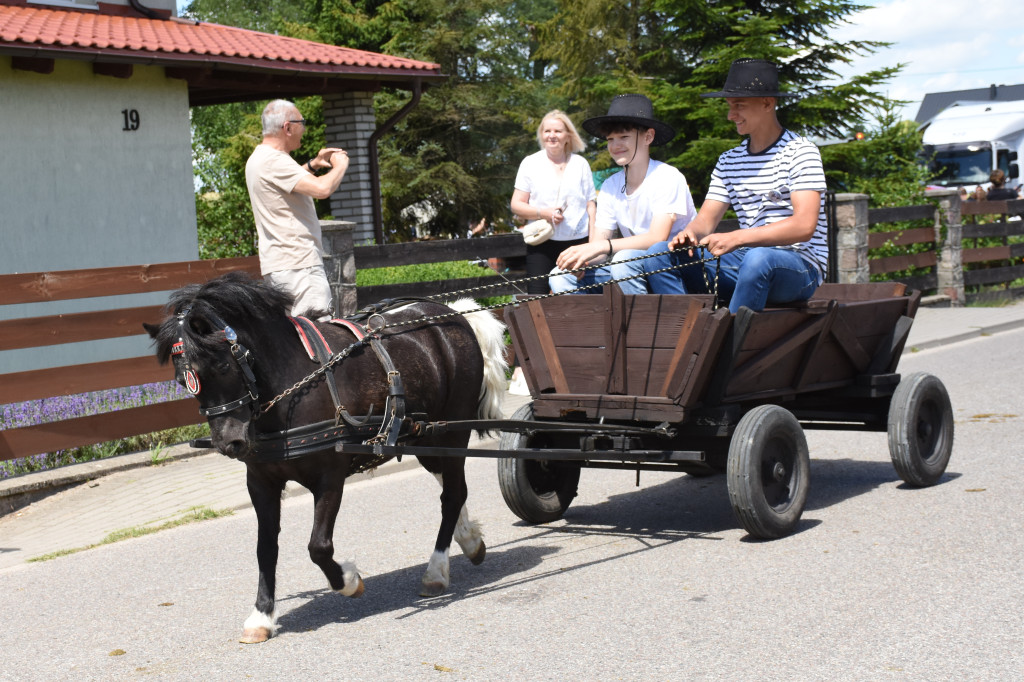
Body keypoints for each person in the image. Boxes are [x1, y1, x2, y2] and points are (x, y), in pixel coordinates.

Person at [641, 59, 828, 313]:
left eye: (739, 105)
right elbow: (705, 221)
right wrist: (689, 234)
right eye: (729, 106)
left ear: (767, 103)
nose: (731, 115)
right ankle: (687, 333)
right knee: (659, 254)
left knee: (758, 258)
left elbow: (804, 225)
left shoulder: (801, 151)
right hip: (748, 261)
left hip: (799, 267)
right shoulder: (729, 159)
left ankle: (725, 346)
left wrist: (738, 238)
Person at [551, 94, 697, 294]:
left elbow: (657, 238)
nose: (615, 145)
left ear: (648, 137)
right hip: (630, 266)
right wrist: (582, 259)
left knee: (623, 260)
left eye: (624, 137)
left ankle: (641, 322)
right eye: (610, 139)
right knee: (558, 278)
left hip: (674, 268)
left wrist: (602, 246)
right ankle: (593, 325)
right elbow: (600, 245)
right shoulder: (611, 185)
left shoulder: (668, 176)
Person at [245, 99, 349, 319]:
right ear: (288, 127)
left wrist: (313, 165)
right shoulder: (275, 161)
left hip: (283, 265)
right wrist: (341, 165)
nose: (304, 128)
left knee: (296, 340)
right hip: (300, 267)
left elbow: (285, 183)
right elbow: (322, 188)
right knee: (320, 337)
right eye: (302, 122)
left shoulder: (260, 158)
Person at [510, 110, 597, 295]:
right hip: (542, 241)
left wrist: (593, 245)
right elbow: (516, 204)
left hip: (577, 244)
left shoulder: (581, 164)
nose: (551, 136)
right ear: (541, 134)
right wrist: (544, 212)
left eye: (557, 131)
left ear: (568, 136)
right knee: (536, 298)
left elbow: (591, 206)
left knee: (576, 298)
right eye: (547, 131)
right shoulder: (530, 163)